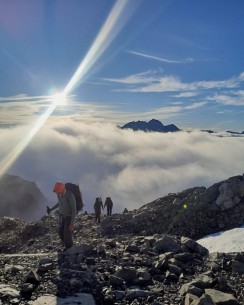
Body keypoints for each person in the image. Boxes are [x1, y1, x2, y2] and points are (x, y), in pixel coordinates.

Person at [47, 181, 76, 251]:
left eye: (57, 191)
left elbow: (74, 209)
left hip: (69, 217)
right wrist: (51, 209)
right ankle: (68, 246)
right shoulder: (60, 195)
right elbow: (59, 204)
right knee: (60, 232)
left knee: (67, 233)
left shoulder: (70, 195)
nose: (56, 193)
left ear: (61, 189)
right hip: (63, 217)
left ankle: (70, 248)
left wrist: (72, 223)